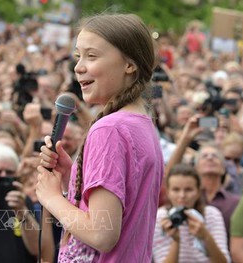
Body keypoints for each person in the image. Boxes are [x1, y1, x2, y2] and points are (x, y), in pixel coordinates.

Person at [37, 13, 163, 262]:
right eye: (78, 56)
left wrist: (51, 198)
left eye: (91, 56)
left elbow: (102, 234)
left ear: (130, 64)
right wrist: (73, 178)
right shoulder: (143, 125)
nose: (78, 66)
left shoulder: (110, 129)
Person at [153, 163, 230, 262]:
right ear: (168, 192)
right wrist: (176, 240)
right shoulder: (161, 218)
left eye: (188, 190)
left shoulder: (212, 214)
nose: (182, 195)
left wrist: (205, 235)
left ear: (198, 192)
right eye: (176, 190)